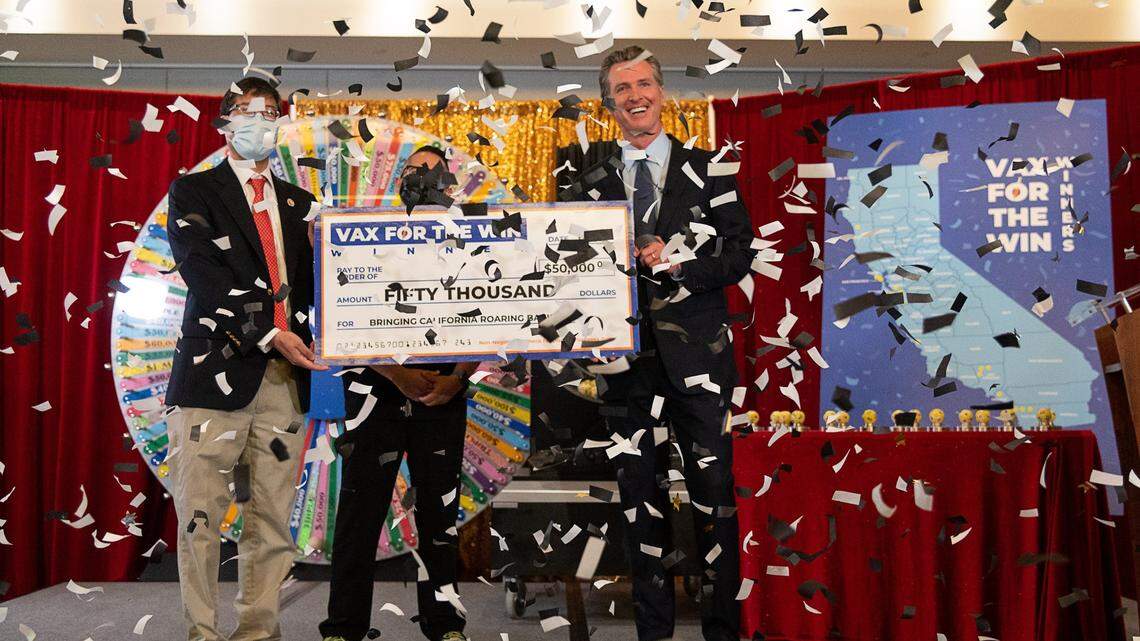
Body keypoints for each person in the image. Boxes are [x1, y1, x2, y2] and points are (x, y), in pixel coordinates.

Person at [560, 45, 755, 641]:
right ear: (608, 102)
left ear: (662, 92)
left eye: (644, 83)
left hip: (700, 360)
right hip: (622, 365)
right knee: (638, 502)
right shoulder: (583, 173)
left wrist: (680, 262)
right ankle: (653, 633)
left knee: (715, 499)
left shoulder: (710, 166)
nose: (635, 96)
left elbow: (740, 252)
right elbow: (558, 255)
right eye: (622, 88)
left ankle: (723, 631)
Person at [165, 76, 325, 641]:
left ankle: (259, 633)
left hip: (283, 383)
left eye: (270, 111)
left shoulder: (302, 205)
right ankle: (202, 634)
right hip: (211, 378)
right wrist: (269, 333)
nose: (259, 120)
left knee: (272, 522)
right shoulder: (193, 191)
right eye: (246, 110)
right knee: (201, 520)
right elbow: (205, 276)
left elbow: (316, 292)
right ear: (224, 121)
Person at [319, 146, 478, 641]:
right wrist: (395, 375)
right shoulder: (368, 237)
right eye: (412, 170)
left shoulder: (473, 241)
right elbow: (342, 314)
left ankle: (443, 621)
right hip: (375, 392)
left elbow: (496, 313)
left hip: (444, 393)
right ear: (398, 182)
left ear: (449, 185)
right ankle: (344, 627)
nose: (420, 177)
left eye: (432, 171)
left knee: (440, 514)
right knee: (360, 513)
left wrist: (457, 377)